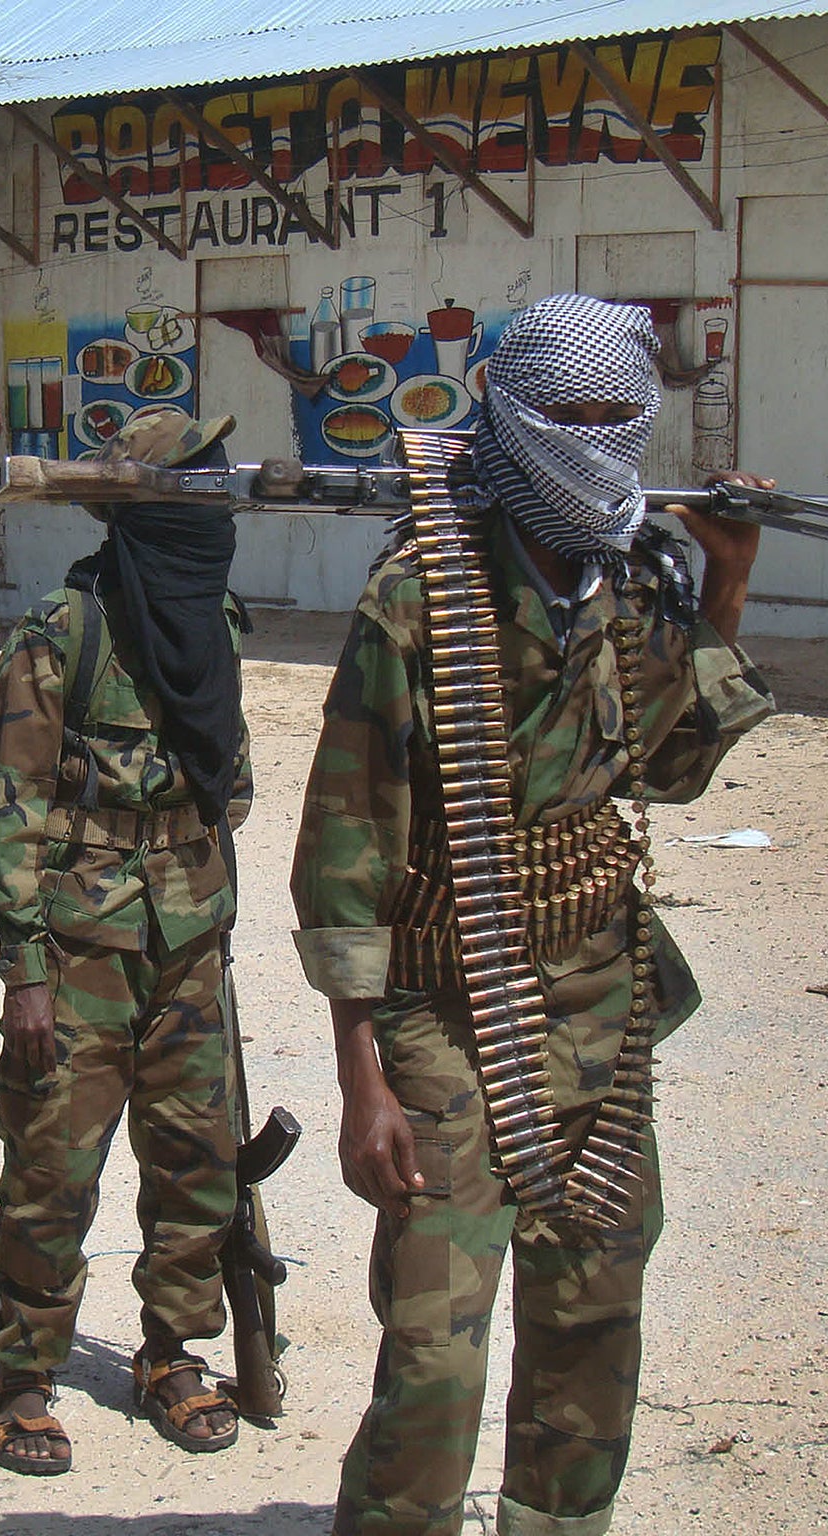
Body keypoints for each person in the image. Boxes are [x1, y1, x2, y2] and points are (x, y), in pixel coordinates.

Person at [290, 294, 776, 1536]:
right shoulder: (423, 591)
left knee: (590, 1320)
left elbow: (667, 772)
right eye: (566, 415)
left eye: (621, 416)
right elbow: (345, 848)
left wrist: (723, 583)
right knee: (435, 1352)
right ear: (508, 413)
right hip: (449, 1013)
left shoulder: (638, 574)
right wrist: (362, 1079)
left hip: (601, 1011)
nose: (596, 440)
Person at [0, 408, 253, 1474]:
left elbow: (233, 784)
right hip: (77, 947)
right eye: (199, 490)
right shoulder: (61, 631)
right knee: (51, 1162)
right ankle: (24, 1369)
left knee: (195, 1160)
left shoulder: (212, 625)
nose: (217, 510)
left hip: (189, 940)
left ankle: (172, 1354)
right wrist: (25, 974)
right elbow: (2, 810)